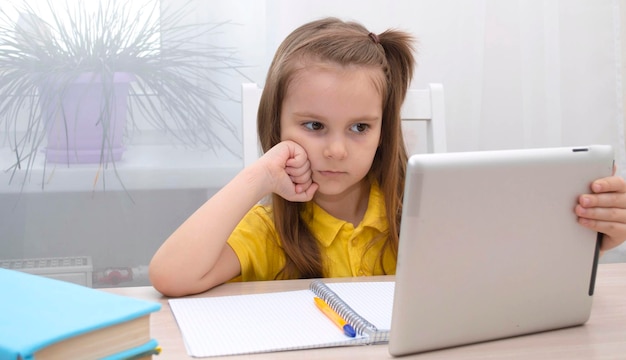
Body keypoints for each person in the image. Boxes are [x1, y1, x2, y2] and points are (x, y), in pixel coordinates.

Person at [149, 17, 626, 297]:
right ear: (276, 127)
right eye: (313, 126)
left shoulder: (420, 214)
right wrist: (257, 176)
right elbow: (170, 275)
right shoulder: (272, 228)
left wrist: (588, 242)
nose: (336, 149)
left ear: (384, 131)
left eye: (360, 127)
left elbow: (510, 276)